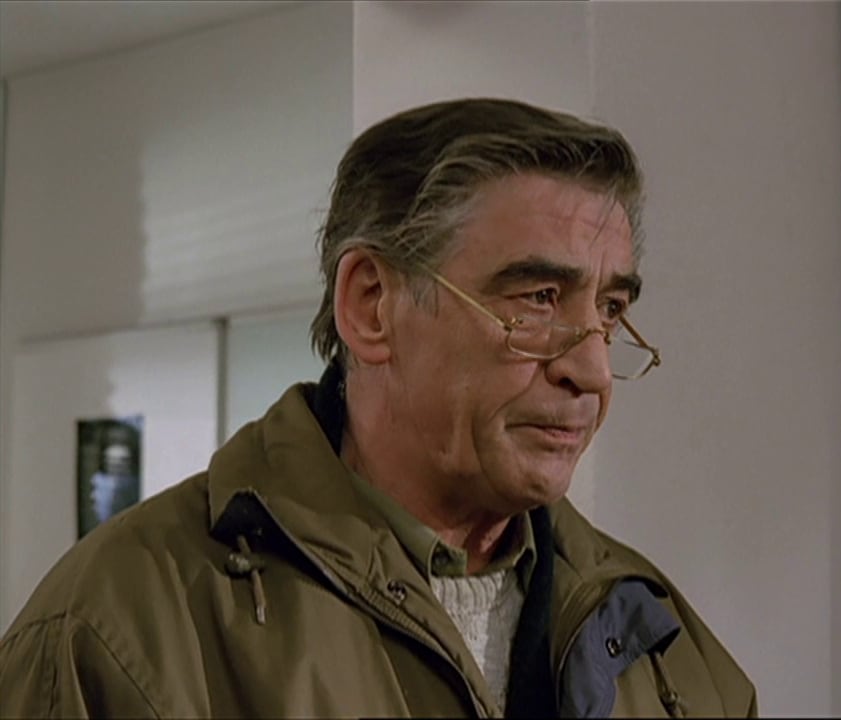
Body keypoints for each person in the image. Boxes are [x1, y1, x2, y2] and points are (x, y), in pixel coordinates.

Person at [0, 98, 756, 717]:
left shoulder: (665, 649)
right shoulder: (118, 629)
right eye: (537, 299)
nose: (590, 371)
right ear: (371, 306)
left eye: (611, 309)